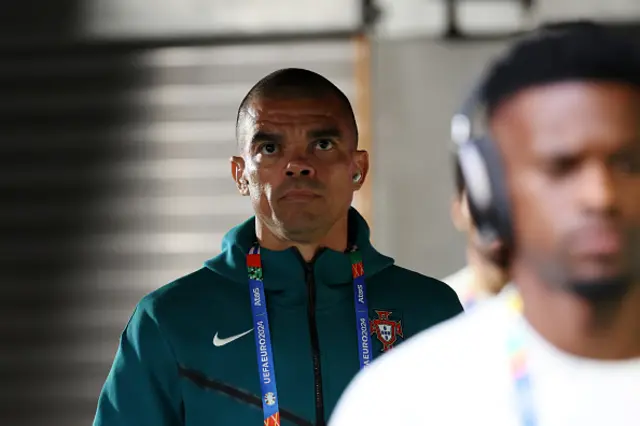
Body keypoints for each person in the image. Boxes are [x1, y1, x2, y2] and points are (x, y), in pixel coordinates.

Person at [92, 68, 463, 426]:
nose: (298, 165)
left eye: (322, 144)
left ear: (357, 169)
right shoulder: (169, 321)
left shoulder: (431, 312)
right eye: (269, 147)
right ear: (241, 175)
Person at [330, 21, 640, 426]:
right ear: (488, 191)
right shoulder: (402, 401)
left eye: (631, 164)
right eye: (561, 168)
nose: (601, 196)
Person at [442, 159, 510, 309]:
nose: (494, 210)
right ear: (457, 211)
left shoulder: (562, 309)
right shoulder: (435, 310)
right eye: (481, 193)